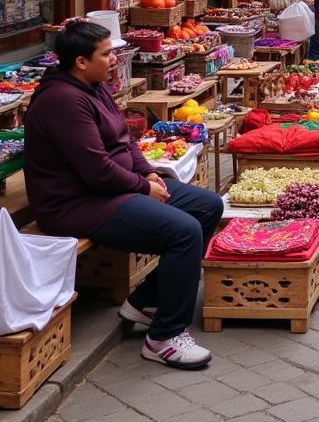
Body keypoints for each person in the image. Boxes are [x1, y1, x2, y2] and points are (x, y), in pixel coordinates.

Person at [24, 21, 223, 369]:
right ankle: (164, 337)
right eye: (106, 54)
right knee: (184, 232)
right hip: (77, 202)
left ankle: (146, 300)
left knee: (207, 206)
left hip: (116, 186)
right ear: (81, 61)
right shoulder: (63, 100)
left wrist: (148, 172)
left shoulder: (93, 85)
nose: (114, 59)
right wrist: (143, 187)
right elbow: (95, 169)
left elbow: (125, 140)